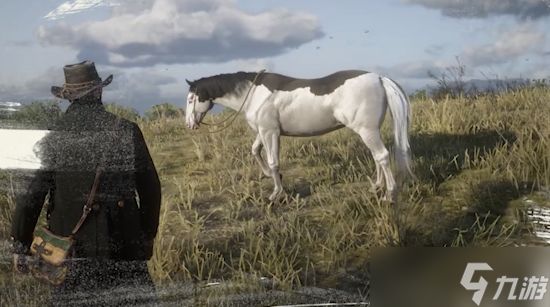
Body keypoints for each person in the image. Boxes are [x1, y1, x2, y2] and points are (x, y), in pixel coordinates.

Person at [10, 61, 162, 306]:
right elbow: (151, 189)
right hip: (123, 245)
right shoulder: (126, 130)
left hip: (71, 249)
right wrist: (147, 236)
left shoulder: (55, 136)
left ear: (68, 97)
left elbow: (31, 194)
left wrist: (20, 244)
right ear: (99, 91)